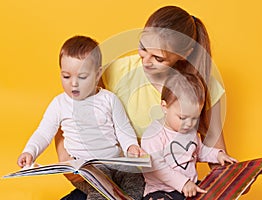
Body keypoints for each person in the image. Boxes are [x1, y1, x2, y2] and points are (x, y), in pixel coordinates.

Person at [57, 5, 228, 199]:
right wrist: (66, 160)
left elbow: (217, 155)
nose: (146, 61)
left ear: (185, 53)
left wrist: (235, 180)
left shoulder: (203, 86)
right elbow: (68, 112)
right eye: (143, 48)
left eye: (158, 57)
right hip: (117, 181)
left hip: (171, 186)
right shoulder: (116, 72)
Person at [17, 35, 145, 200]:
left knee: (136, 181)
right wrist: (30, 151)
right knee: (99, 191)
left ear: (97, 74)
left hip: (115, 162)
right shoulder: (59, 104)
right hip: (87, 170)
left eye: (82, 77)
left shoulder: (109, 99)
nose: (74, 83)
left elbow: (123, 128)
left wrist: (131, 146)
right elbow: (43, 132)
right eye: (66, 76)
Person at [141, 72, 237, 199]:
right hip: (161, 191)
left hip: (190, 186)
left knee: (212, 194)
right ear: (164, 107)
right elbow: (157, 167)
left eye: (194, 118)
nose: (189, 124)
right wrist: (183, 183)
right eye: (182, 117)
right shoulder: (153, 135)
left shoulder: (189, 131)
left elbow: (200, 150)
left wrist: (217, 155)